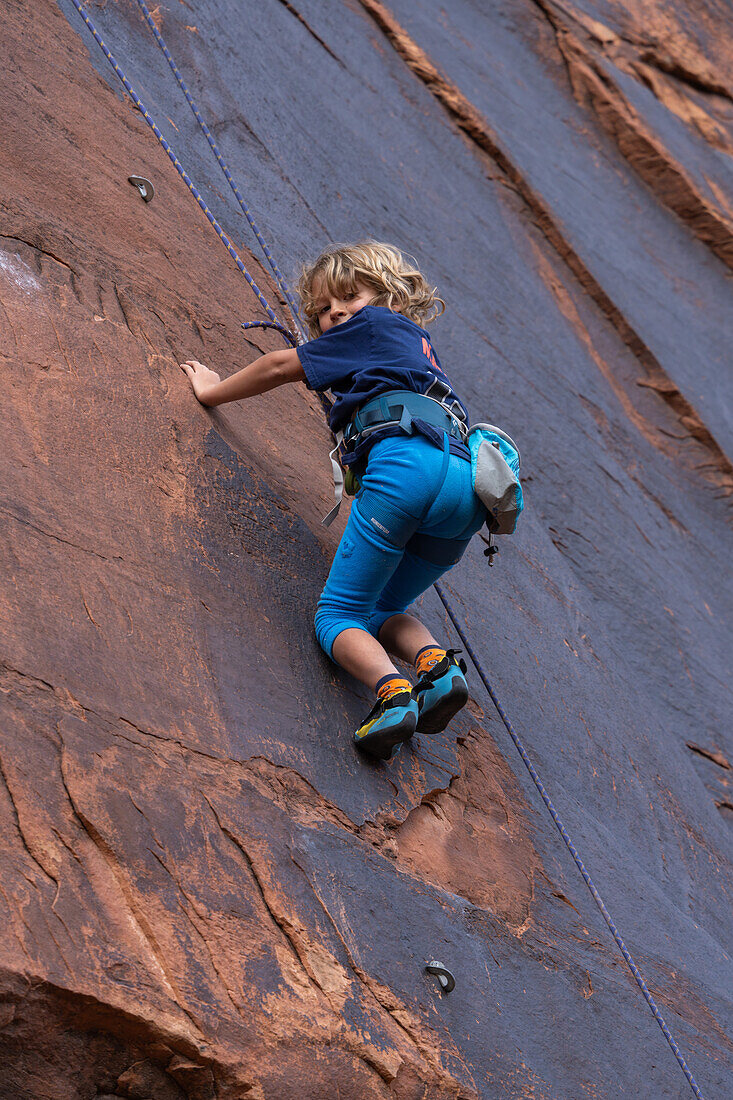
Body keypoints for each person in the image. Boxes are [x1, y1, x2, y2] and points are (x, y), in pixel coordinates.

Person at [180, 241, 487, 761]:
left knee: (338, 613)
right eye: (322, 309)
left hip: (408, 466)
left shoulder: (371, 329)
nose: (335, 312)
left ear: (390, 297)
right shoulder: (417, 345)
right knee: (385, 606)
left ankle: (393, 697)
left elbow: (280, 365)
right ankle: (436, 666)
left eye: (350, 295)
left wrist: (212, 390)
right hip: (467, 489)